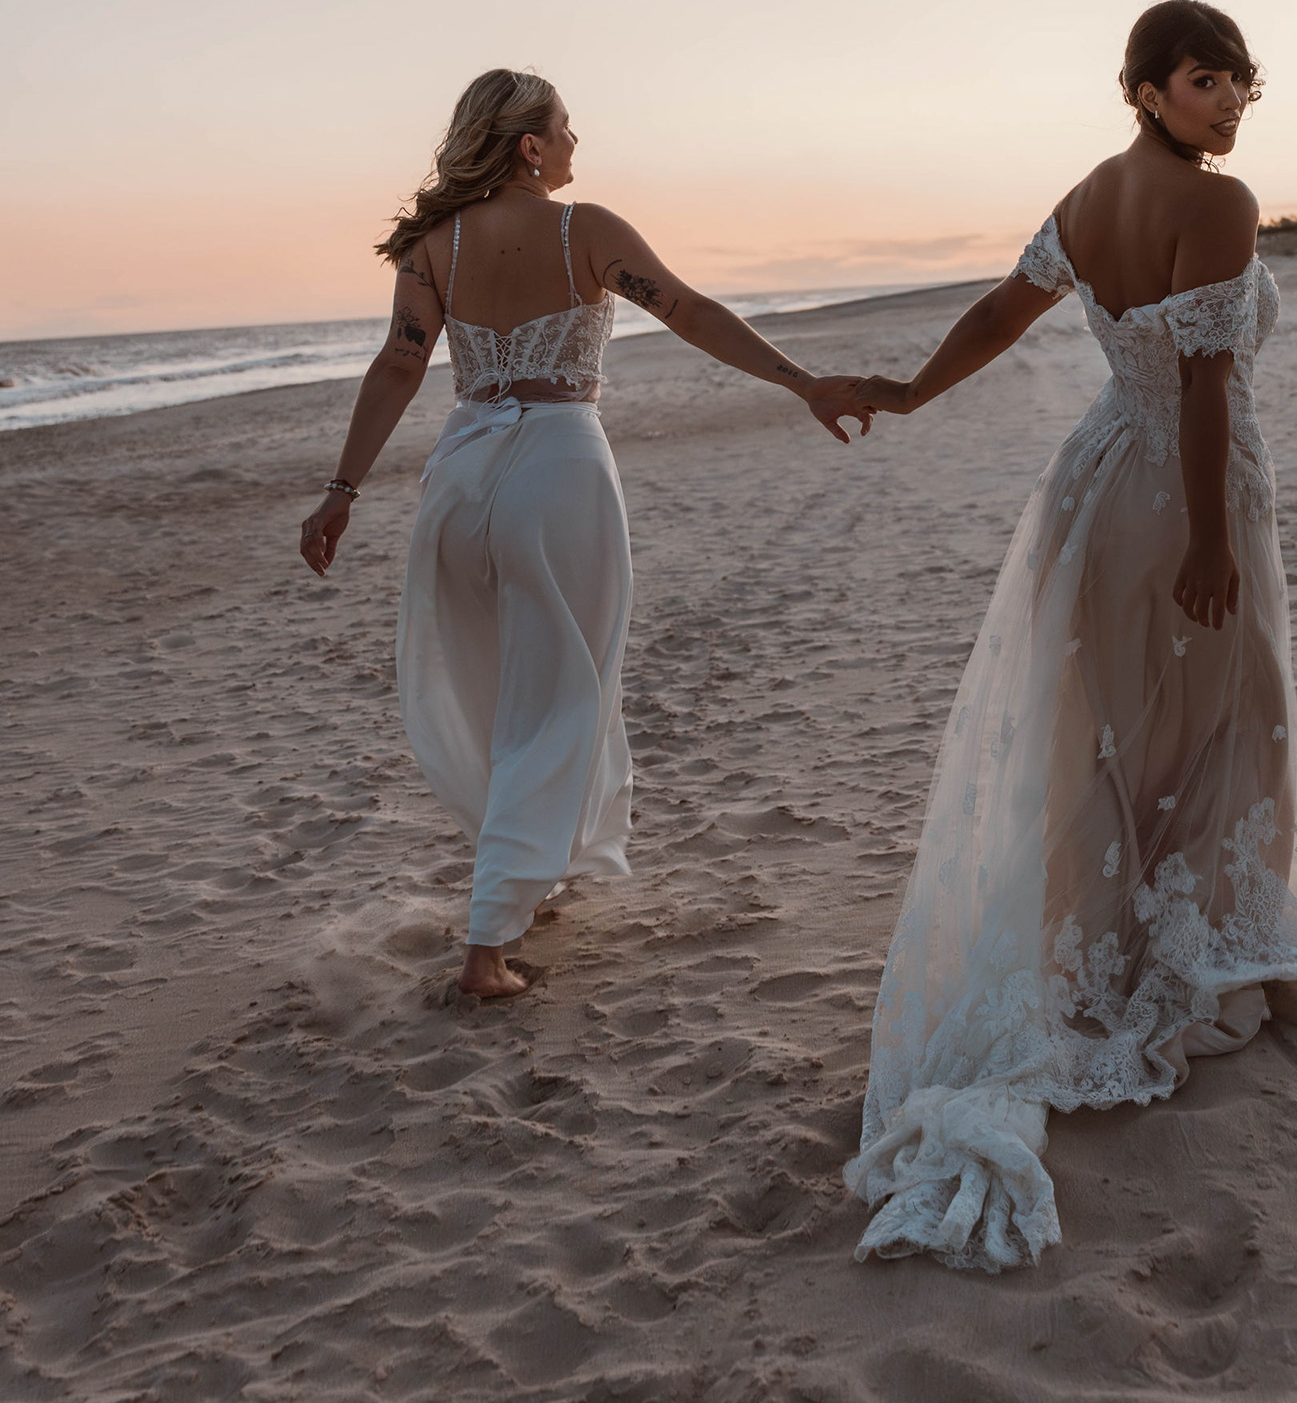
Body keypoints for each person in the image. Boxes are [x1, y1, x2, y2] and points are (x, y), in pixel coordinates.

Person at [843, 0, 1297, 1270]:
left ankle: (1130, 945)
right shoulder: (1221, 208)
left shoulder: (1084, 198)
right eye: (1202, 82)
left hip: (1091, 482)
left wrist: (911, 389)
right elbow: (1201, 385)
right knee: (1232, 713)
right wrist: (1207, 538)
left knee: (1113, 726)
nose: (1229, 103)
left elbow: (999, 313)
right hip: (1185, 487)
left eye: (1241, 82)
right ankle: (1202, 959)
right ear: (1142, 87)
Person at [298, 68, 873, 997]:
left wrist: (341, 489)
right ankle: (487, 946)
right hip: (559, 470)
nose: (575, 144)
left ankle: (523, 880)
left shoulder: (431, 245)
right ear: (530, 144)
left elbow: (401, 364)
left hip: (458, 478)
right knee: (563, 692)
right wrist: (803, 382)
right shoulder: (586, 229)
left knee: (494, 690)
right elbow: (688, 311)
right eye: (565, 129)